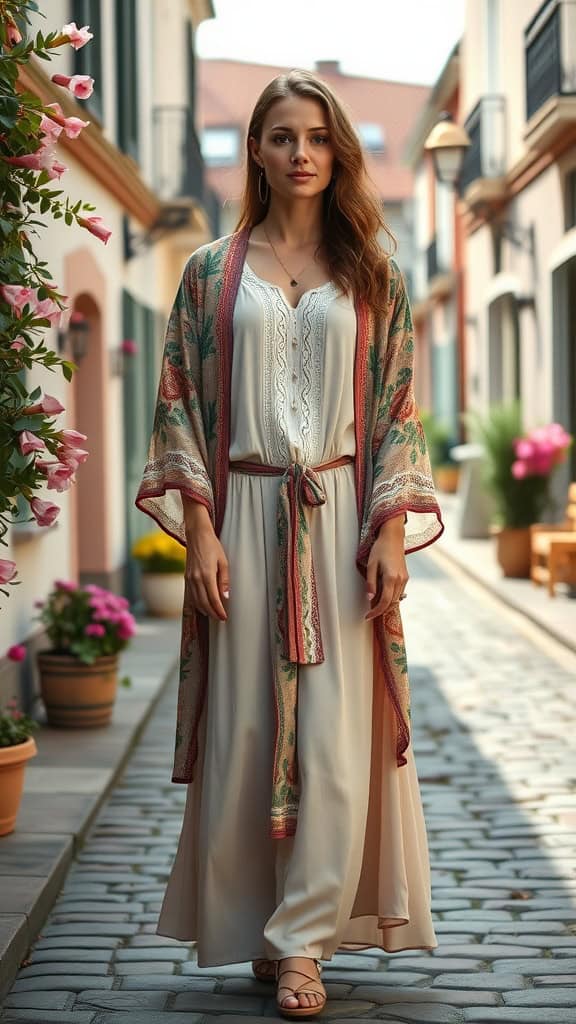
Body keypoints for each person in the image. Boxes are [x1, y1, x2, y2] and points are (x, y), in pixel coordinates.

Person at [136, 68, 444, 1019]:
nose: (300, 152)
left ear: (337, 149)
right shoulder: (207, 274)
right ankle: (264, 925)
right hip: (244, 516)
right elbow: (180, 401)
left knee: (336, 739)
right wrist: (199, 534)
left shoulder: (374, 273)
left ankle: (304, 939)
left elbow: (396, 409)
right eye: (281, 136)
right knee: (244, 735)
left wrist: (389, 528)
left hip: (345, 521)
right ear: (258, 153)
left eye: (316, 136)